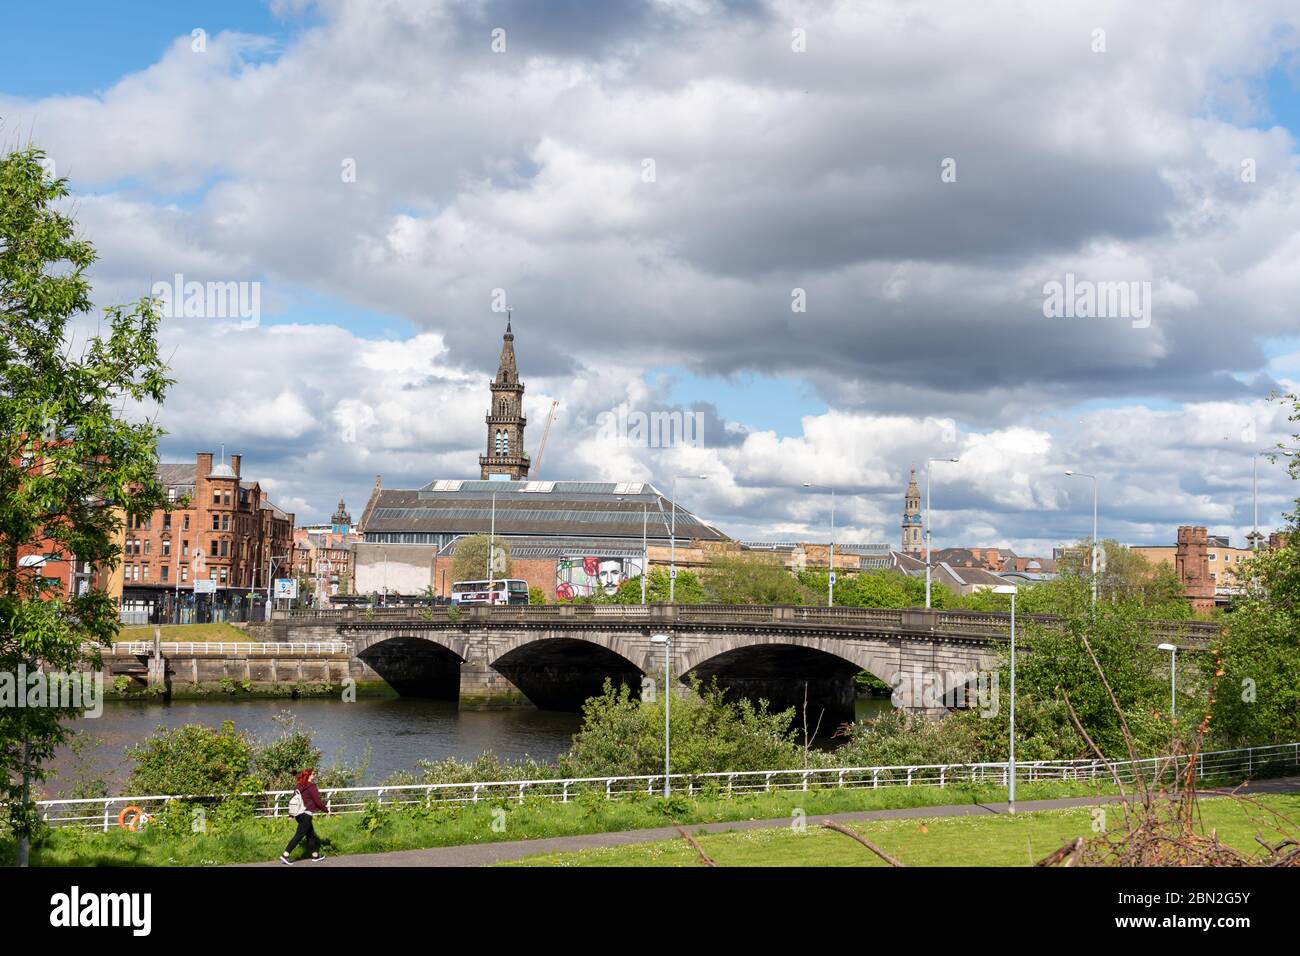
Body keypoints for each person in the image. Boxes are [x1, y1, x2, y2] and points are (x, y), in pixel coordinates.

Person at [280, 768, 329, 865]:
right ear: (309, 775)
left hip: (299, 814)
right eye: (313, 774)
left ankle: (315, 855)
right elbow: (318, 802)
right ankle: (285, 855)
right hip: (306, 815)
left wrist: (291, 815)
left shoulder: (299, 785)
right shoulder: (312, 786)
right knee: (299, 835)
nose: (314, 775)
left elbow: (294, 801)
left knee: (310, 835)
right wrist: (327, 810)